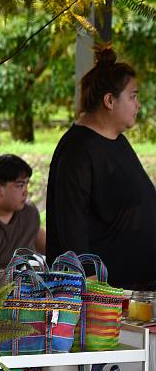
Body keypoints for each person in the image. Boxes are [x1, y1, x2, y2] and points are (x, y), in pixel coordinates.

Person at [46, 45, 156, 289]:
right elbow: (71, 231)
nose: (138, 105)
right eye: (133, 96)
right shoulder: (78, 150)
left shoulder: (117, 139)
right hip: (108, 300)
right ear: (109, 100)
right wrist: (95, 294)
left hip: (139, 288)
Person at [0, 154, 46, 268]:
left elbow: (44, 242)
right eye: (20, 185)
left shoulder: (29, 213)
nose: (26, 192)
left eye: (27, 184)